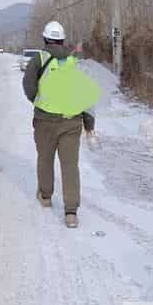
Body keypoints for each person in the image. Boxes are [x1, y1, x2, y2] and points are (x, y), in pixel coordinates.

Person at [22, 21, 100, 229]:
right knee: (70, 166)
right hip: (71, 122)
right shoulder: (76, 60)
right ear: (63, 40)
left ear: (45, 39)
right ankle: (71, 213)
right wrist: (89, 125)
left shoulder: (38, 59)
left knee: (45, 159)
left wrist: (39, 102)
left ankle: (46, 197)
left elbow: (28, 87)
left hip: (44, 121)